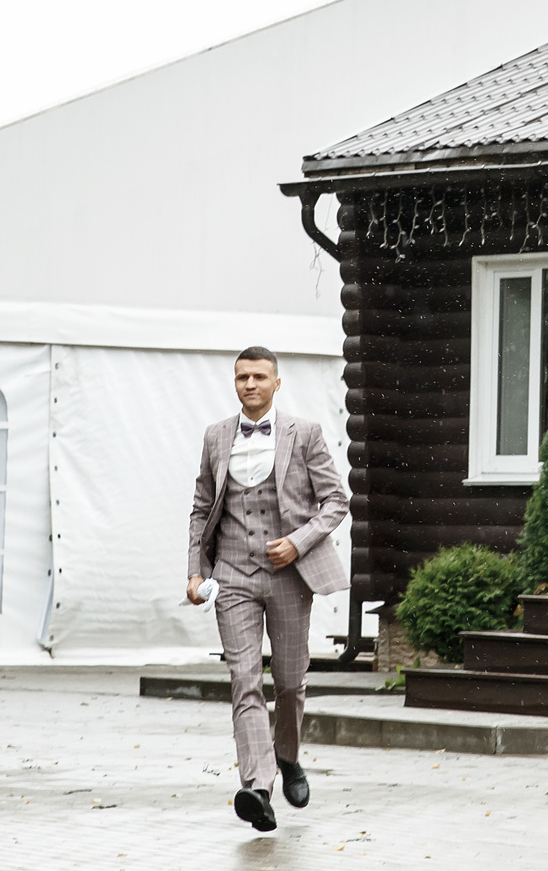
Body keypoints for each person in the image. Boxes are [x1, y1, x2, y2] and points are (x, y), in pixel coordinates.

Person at [186, 346, 348, 833]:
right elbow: (200, 507)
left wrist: (298, 544)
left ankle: (289, 756)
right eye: (241, 377)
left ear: (276, 383)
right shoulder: (216, 436)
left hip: (289, 577)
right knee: (244, 680)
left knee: (291, 681)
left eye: (259, 376)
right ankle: (257, 786)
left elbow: (335, 500)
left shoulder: (306, 434)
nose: (249, 384)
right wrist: (196, 571)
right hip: (232, 573)